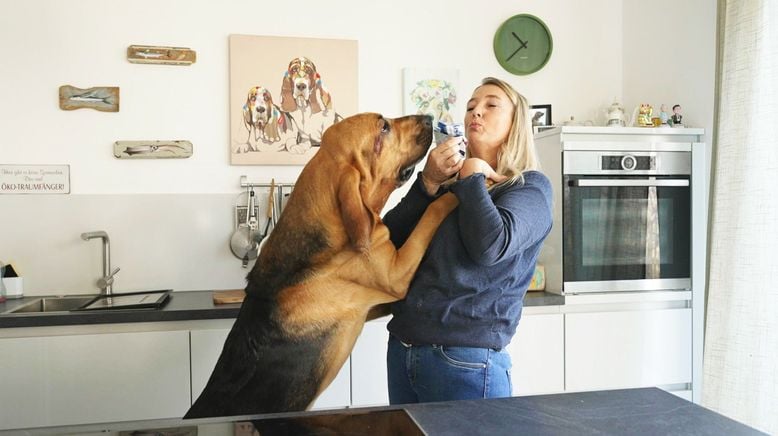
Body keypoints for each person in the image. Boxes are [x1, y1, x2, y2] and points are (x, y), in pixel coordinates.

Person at [382, 77, 553, 403]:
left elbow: (490, 247)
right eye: (471, 106)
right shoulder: (450, 187)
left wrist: (472, 175)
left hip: (467, 361)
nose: (476, 112)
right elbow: (389, 242)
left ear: (516, 123)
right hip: (404, 351)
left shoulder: (530, 188)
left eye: (491, 105)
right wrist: (428, 183)